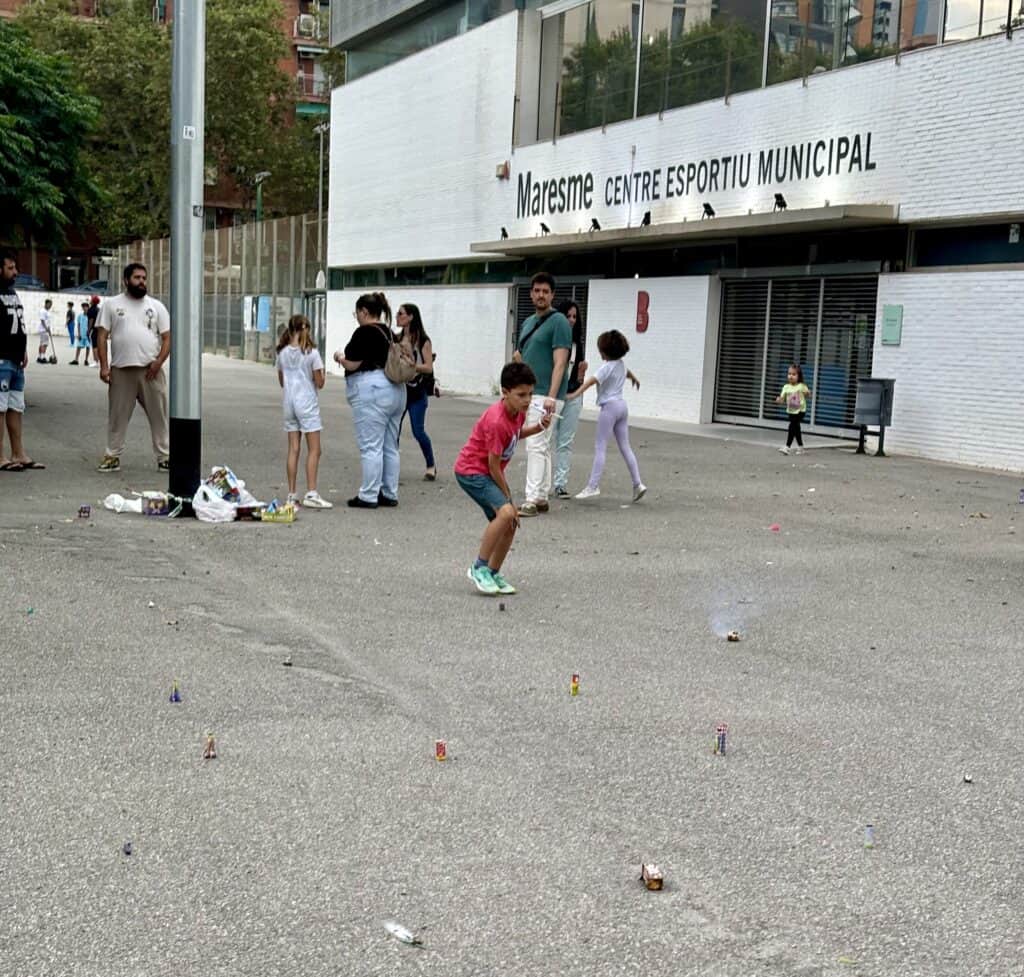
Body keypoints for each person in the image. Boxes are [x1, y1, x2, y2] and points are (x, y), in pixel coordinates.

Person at [454, 361, 552, 596]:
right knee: (508, 513)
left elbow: (514, 436)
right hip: (472, 471)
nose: (527, 400)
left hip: (486, 471)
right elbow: (493, 464)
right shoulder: (497, 420)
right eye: (521, 395)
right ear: (505, 392)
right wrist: (508, 497)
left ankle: (493, 572)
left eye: (530, 394)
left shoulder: (516, 413)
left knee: (509, 521)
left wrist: (539, 427)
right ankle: (478, 568)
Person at [94, 262, 171, 473]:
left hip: (151, 371)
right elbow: (101, 336)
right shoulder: (111, 305)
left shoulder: (156, 307)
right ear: (126, 280)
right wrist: (104, 366)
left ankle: (164, 456)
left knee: (159, 415)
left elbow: (167, 338)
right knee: (117, 416)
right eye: (137, 278)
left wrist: (158, 362)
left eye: (144, 278)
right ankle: (112, 456)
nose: (141, 282)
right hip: (121, 370)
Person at [333, 291, 405, 508]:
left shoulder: (364, 333)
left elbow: (353, 364)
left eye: (357, 313)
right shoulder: (389, 332)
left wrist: (339, 358)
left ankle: (369, 495)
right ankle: (389, 492)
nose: (356, 317)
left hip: (373, 390)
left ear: (364, 311)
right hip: (396, 390)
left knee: (371, 446)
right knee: (390, 445)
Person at [512, 271, 571, 517]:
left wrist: (551, 396)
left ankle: (531, 498)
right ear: (531, 293)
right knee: (543, 445)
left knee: (535, 444)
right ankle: (541, 496)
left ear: (552, 295)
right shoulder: (528, 322)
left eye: (546, 291)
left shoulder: (559, 322)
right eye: (537, 290)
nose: (541, 295)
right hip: (530, 392)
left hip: (546, 393)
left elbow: (561, 362)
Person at [566, 329, 645, 502]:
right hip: (622, 407)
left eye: (600, 350)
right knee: (625, 447)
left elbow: (590, 381)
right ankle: (638, 484)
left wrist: (574, 394)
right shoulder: (621, 364)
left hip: (609, 408)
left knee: (600, 447)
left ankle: (592, 486)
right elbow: (627, 372)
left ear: (605, 351)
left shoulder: (605, 367)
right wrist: (634, 379)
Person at [275, 314, 331, 508]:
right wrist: (322, 375)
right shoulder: (312, 353)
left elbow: (282, 381)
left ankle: (291, 494)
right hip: (307, 403)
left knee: (293, 449)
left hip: (289, 404)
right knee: (315, 449)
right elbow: (320, 382)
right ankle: (312, 492)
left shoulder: (282, 353)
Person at [0, 250, 44, 471]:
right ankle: (0, 456)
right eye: (10, 268)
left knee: (16, 407)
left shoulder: (12, 292)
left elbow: (17, 324)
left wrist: (23, 350)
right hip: (1, 360)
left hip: (15, 360)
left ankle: (18, 453)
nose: (15, 272)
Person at [396, 302, 436, 480]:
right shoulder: (396, 339)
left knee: (418, 431)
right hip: (399, 391)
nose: (397, 316)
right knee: (393, 430)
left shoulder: (423, 341)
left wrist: (414, 367)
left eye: (401, 313)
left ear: (411, 317)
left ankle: (431, 465)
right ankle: (392, 467)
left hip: (417, 392)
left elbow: (428, 367)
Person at [552, 299, 587, 500]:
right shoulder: (554, 341)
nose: (572, 320)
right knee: (546, 439)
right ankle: (540, 483)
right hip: (554, 394)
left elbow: (577, 376)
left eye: (575, 316)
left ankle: (560, 484)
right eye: (568, 315)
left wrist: (581, 374)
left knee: (565, 441)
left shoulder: (577, 344)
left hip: (572, 395)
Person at [775, 364, 812, 456]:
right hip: (791, 411)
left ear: (798, 376)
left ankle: (787, 447)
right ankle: (801, 447)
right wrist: (779, 400)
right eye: (789, 374)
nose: (791, 376)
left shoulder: (801, 386)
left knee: (792, 426)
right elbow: (782, 399)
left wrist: (808, 393)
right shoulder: (786, 387)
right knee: (796, 428)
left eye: (794, 374)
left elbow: (808, 396)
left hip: (800, 411)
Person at [70, 301, 91, 366]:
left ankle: (86, 360)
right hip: (81, 334)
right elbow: (78, 325)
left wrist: (89, 332)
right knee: (78, 346)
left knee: (88, 347)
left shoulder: (90, 316)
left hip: (88, 334)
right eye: (83, 307)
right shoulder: (80, 316)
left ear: (88, 307)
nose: (85, 308)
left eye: (86, 307)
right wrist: (79, 334)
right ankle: (76, 359)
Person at [36, 298, 53, 364]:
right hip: (44, 330)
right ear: (46, 303)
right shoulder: (43, 311)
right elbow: (42, 321)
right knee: (44, 344)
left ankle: (39, 357)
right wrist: (46, 329)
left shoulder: (47, 311)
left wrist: (49, 329)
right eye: (50, 304)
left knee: (42, 343)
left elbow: (47, 321)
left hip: (45, 329)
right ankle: (42, 357)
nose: (50, 306)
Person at [86, 294, 101, 366]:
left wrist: (88, 331)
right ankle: (98, 360)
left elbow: (91, 321)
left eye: (91, 299)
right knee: (98, 345)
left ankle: (96, 361)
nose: (90, 300)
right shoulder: (99, 309)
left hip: (94, 329)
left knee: (94, 345)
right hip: (99, 329)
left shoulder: (91, 310)